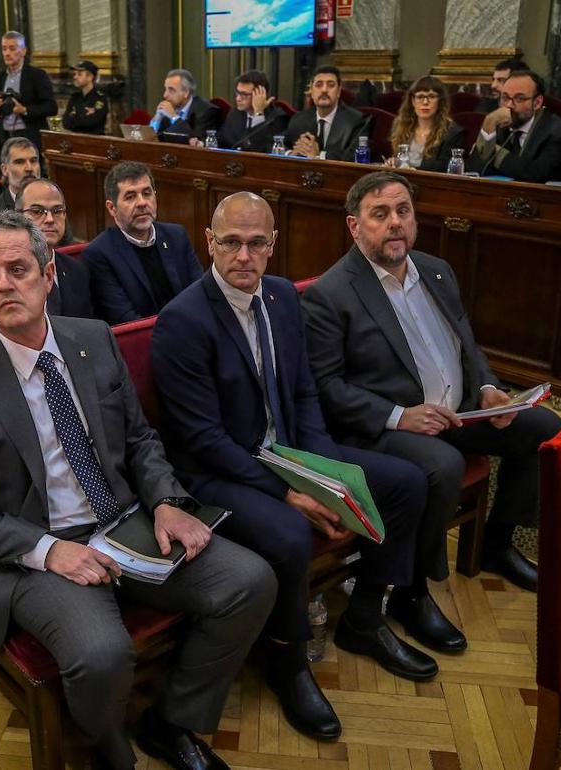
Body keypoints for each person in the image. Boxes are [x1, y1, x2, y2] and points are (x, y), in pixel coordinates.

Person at [0, 208, 276, 770]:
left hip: (124, 520)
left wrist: (166, 501)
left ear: (49, 274)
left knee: (250, 581)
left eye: (19, 269)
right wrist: (51, 551)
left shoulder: (92, 339)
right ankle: (110, 753)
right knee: (101, 653)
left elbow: (139, 439)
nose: (5, 284)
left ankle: (171, 721)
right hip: (34, 548)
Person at [152, 193, 433, 739]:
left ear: (273, 245)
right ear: (209, 242)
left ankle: (365, 617)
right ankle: (288, 660)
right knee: (288, 534)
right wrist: (289, 492)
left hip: (288, 454)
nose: (244, 255)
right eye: (231, 242)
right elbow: (203, 439)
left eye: (257, 243)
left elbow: (303, 392)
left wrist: (324, 473)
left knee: (405, 483)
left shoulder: (281, 297)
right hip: (219, 471)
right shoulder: (182, 320)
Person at [302, 171, 561, 594]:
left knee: (544, 429)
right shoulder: (331, 294)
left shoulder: (435, 270)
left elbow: (467, 346)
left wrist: (487, 388)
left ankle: (496, 543)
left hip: (457, 412)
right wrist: (400, 416)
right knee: (444, 465)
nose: (395, 223)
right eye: (380, 214)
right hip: (389, 427)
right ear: (354, 225)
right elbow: (326, 387)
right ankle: (414, 588)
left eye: (403, 211)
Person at [0, 177, 92, 343]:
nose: (50, 219)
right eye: (37, 211)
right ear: (18, 217)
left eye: (57, 211)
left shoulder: (77, 270)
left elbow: (86, 331)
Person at [82, 161, 202, 324]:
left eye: (147, 193)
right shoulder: (99, 254)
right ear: (112, 208)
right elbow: (125, 319)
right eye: (130, 197)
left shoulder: (176, 236)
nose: (142, 203)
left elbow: (200, 293)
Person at [468, 70, 561, 183]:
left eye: (519, 99)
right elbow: (473, 172)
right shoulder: (497, 123)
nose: (509, 105)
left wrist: (491, 149)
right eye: (505, 97)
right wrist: (488, 122)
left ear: (537, 103)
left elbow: (535, 175)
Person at [0, 31, 57, 152]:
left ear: (23, 51)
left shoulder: (36, 75)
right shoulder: (0, 77)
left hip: (29, 136)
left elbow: (51, 107)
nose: (7, 53)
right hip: (5, 136)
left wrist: (24, 110)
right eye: (4, 49)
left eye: (12, 48)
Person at [284, 66, 372, 161]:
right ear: (312, 92)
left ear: (338, 91)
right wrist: (291, 153)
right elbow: (278, 142)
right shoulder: (299, 119)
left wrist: (319, 156)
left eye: (331, 85)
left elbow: (355, 157)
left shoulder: (357, 121)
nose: (324, 90)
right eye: (319, 85)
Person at [386, 76, 466, 172]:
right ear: (412, 101)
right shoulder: (400, 126)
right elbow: (398, 158)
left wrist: (414, 170)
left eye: (431, 97)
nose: (425, 102)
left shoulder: (452, 132)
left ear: (440, 101)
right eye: (420, 97)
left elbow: (444, 166)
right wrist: (394, 162)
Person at [216, 69, 290, 153]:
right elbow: (221, 141)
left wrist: (258, 112)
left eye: (244, 94)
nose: (238, 98)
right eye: (237, 93)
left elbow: (261, 149)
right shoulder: (235, 113)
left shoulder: (277, 118)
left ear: (261, 95)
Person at [149, 68, 221, 143]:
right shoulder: (168, 110)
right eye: (165, 89)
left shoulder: (206, 111)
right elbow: (151, 139)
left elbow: (196, 142)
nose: (165, 95)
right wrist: (157, 119)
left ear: (186, 92)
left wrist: (174, 117)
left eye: (171, 90)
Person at [0, 136, 40, 215]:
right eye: (20, 162)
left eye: (33, 161)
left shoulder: (54, 200)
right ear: (5, 169)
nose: (29, 168)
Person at [62, 60, 109, 135]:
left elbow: (92, 122)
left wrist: (74, 118)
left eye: (79, 74)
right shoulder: (75, 97)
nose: (75, 77)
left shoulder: (99, 98)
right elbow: (66, 123)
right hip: (76, 138)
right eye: (75, 74)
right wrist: (82, 118)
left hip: (94, 139)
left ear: (90, 77)